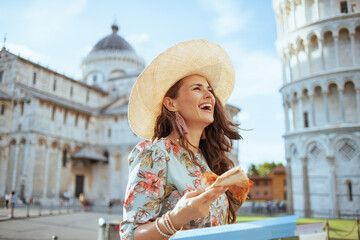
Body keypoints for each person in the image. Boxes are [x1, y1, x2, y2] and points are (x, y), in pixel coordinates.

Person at [120, 39, 242, 240]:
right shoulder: (155, 154)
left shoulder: (209, 159)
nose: (209, 95)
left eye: (210, 89)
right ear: (171, 103)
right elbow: (130, 236)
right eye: (197, 88)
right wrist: (177, 217)